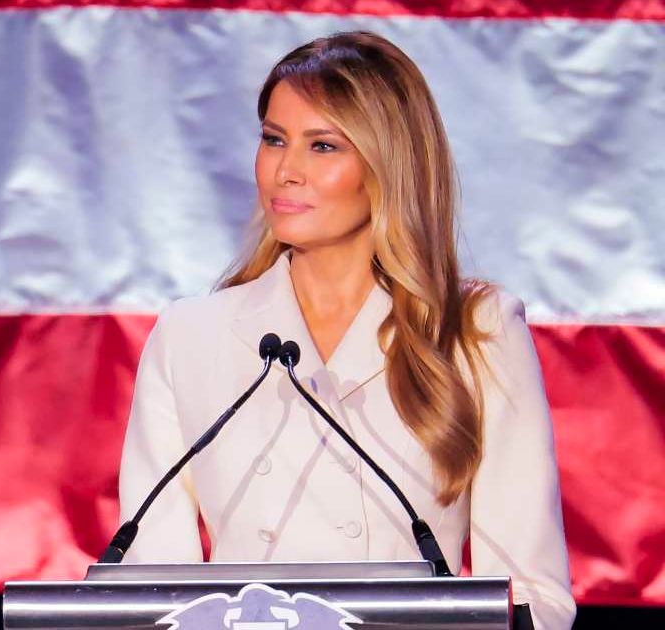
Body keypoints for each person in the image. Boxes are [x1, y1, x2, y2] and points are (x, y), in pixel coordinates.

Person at [117, 32, 575, 629]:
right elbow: (154, 588)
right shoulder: (190, 334)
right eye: (273, 139)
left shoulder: (475, 330)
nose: (286, 171)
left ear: (388, 165)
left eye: (323, 146)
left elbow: (531, 593)